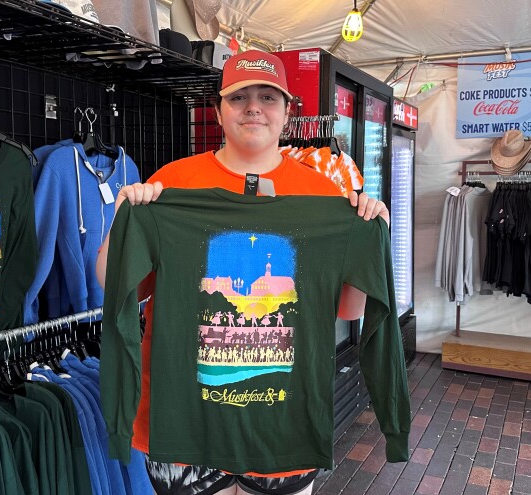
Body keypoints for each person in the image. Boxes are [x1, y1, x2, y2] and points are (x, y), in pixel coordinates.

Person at [96, 50, 388, 495]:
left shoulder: (324, 196)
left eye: (268, 97)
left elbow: (350, 307)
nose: (254, 107)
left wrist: (366, 234)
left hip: (282, 428)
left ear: (288, 112)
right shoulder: (171, 186)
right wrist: (122, 220)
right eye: (239, 97)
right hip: (185, 427)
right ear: (217, 110)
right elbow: (115, 285)